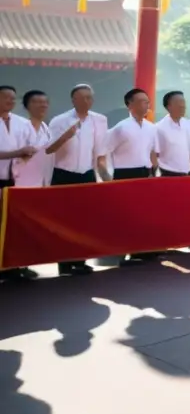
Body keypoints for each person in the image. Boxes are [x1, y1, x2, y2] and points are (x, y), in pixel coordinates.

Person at [47, 84, 108, 275]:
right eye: (82, 98)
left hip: (87, 174)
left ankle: (80, 260)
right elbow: (48, 150)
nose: (87, 101)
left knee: (85, 219)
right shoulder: (60, 120)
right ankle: (64, 263)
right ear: (73, 100)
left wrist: (106, 177)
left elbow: (100, 153)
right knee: (63, 220)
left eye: (90, 97)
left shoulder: (99, 120)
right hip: (63, 174)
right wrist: (65, 137)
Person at [104, 89, 160, 266]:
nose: (147, 105)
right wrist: (106, 177)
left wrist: (154, 172)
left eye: (147, 101)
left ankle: (142, 249)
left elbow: (152, 151)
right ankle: (122, 252)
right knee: (127, 215)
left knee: (145, 214)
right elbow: (104, 151)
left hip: (145, 173)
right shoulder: (121, 128)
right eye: (142, 101)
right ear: (130, 105)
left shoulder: (151, 127)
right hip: (125, 174)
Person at [0, 86, 38, 281]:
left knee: (14, 224)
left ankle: (14, 265)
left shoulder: (22, 123)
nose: (10, 101)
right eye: (6, 97)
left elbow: (32, 147)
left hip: (16, 179)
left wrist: (28, 153)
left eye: (13, 98)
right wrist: (17, 153)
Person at [13, 91, 53, 188]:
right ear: (27, 106)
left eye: (45, 102)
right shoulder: (19, 128)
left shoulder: (47, 130)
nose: (43, 105)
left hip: (44, 181)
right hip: (21, 182)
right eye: (37, 102)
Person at [155, 91, 190, 177]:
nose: (182, 106)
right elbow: (154, 154)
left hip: (187, 172)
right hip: (168, 173)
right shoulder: (159, 128)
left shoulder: (187, 124)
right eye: (178, 103)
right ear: (168, 107)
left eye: (183, 102)